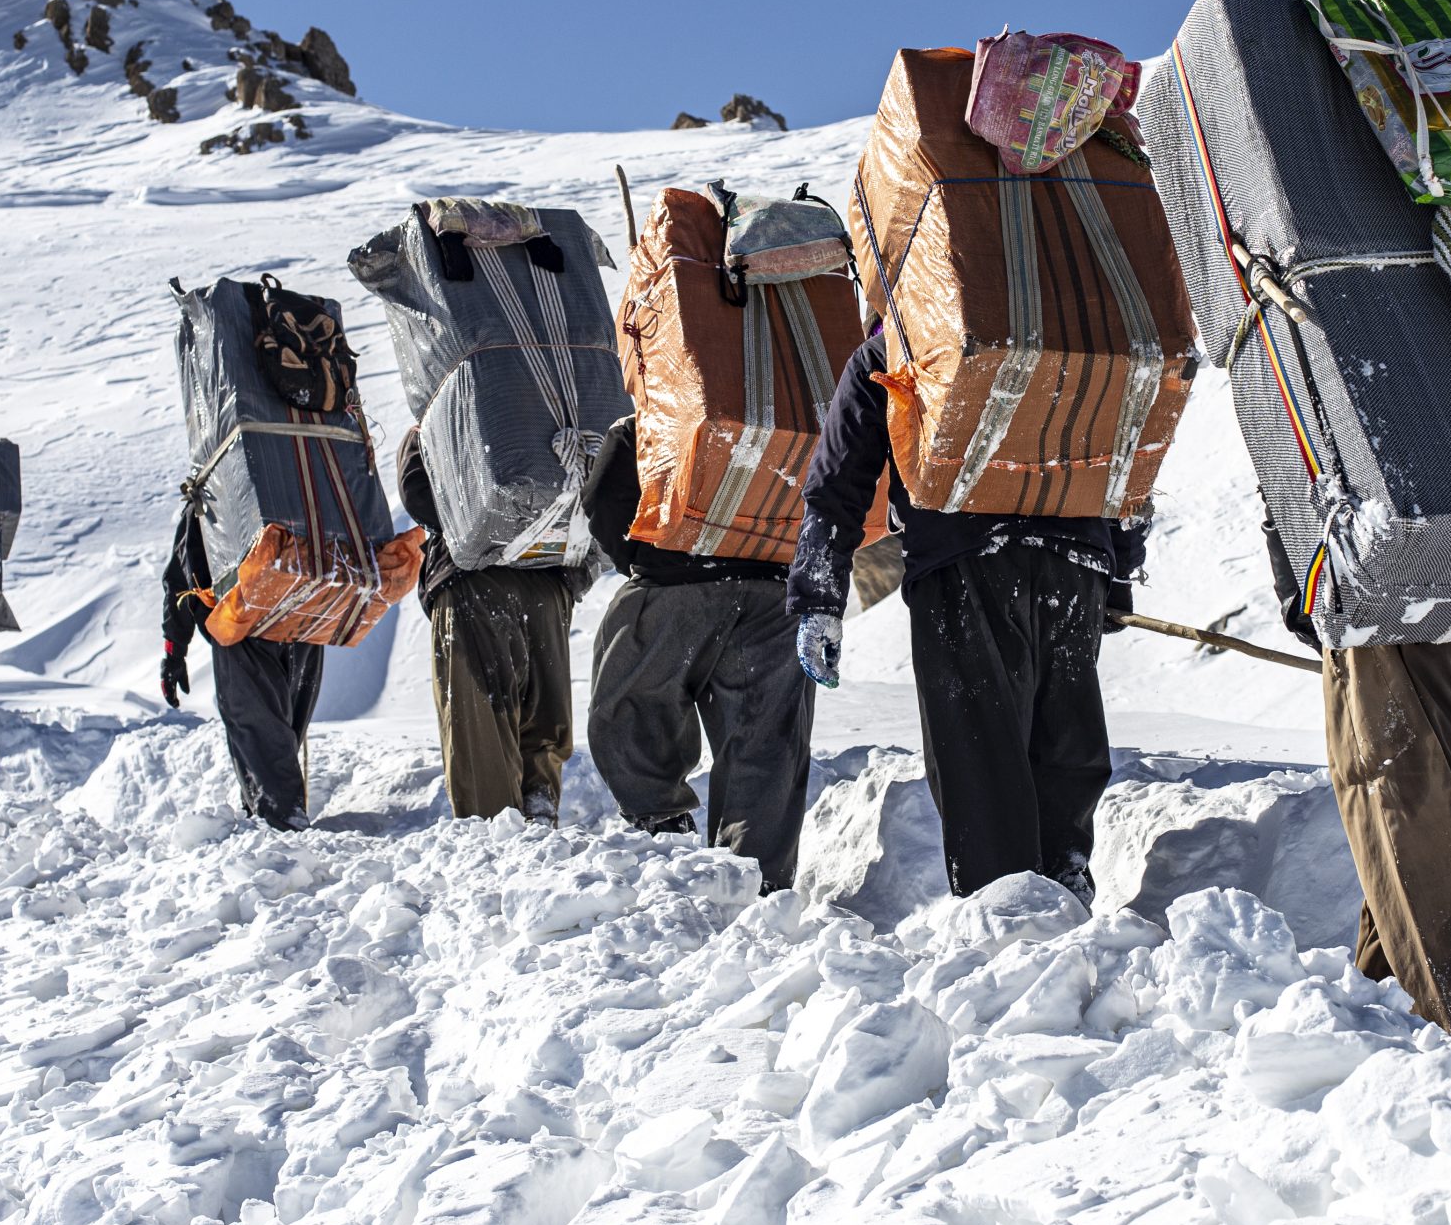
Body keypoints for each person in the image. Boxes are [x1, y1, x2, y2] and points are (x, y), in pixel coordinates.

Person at [790, 330, 1146, 903]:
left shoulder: (899, 344)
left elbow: (837, 483)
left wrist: (818, 597)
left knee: (979, 750)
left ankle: (1003, 908)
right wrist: (1119, 573)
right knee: (1064, 737)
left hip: (962, 557)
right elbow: (1128, 446)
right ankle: (1066, 881)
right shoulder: (1074, 330)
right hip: (1077, 556)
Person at [1264, 508, 1451, 1082]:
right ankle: (1429, 1039)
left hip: (1427, 594)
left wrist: (1304, 591)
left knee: (1442, 830)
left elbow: (1298, 465)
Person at [580, 413, 813, 890]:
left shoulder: (651, 418)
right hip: (776, 594)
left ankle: (663, 838)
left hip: (674, 583)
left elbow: (604, 500)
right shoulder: (797, 418)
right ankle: (758, 884)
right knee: (767, 738)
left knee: (632, 706)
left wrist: (646, 560)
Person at [398, 425, 589, 824]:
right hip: (549, 579)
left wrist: (480, 526)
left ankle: (494, 831)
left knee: (480, 719)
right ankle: (539, 807)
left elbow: (416, 492)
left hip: (471, 581)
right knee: (544, 706)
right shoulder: (556, 414)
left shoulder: (440, 417)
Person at [161, 510, 326, 830]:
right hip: (307, 621)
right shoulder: (295, 494)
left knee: (261, 741)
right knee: (280, 740)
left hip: (241, 626)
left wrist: (174, 651)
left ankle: (282, 834)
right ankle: (270, 821)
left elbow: (181, 575)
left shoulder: (213, 497)